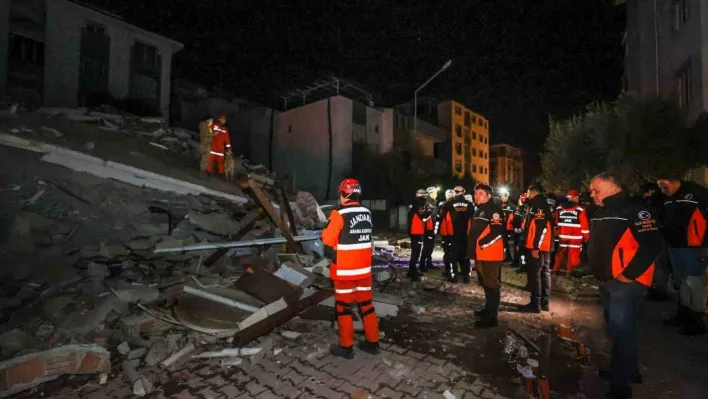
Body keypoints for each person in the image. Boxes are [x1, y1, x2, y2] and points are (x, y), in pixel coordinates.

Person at [587, 173, 662, 399]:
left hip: (625, 283)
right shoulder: (602, 211)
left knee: (621, 330)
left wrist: (628, 275)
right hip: (607, 281)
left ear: (611, 188)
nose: (591, 194)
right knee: (619, 329)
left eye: (595, 190)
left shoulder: (634, 210)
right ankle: (629, 370)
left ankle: (621, 386)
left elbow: (652, 245)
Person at [322, 178, 380, 359]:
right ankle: (372, 342)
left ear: (344, 194)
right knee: (367, 306)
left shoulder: (339, 213)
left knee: (343, 308)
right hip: (363, 271)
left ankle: (346, 347)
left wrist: (325, 229)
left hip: (345, 272)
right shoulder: (367, 212)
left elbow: (328, 240)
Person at [657, 176, 708, 335]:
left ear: (673, 180)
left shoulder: (696, 194)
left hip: (693, 246)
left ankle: (697, 319)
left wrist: (704, 245)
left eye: (664, 186)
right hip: (675, 244)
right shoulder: (669, 197)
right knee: (681, 281)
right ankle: (684, 314)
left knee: (694, 281)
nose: (662, 190)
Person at [468, 184, 506, 328]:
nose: (477, 196)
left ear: (489, 196)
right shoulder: (479, 210)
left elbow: (496, 232)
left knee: (492, 285)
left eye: (481, 193)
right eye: (476, 193)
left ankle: (492, 317)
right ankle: (487, 309)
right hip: (480, 254)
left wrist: (481, 244)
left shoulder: (494, 210)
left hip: (491, 255)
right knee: (485, 283)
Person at [518, 185, 554, 313]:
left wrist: (535, 247)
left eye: (528, 193)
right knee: (545, 272)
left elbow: (541, 228)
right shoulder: (542, 203)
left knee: (536, 274)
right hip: (545, 247)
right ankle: (544, 302)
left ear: (532, 193)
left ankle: (535, 304)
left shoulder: (538, 205)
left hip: (539, 247)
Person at [638, 182, 671, 302]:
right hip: (660, 235)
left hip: (656, 236)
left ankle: (659, 290)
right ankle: (658, 289)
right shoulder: (661, 200)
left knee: (658, 265)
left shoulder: (652, 202)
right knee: (659, 265)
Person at [553, 189, 590, 276]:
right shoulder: (580, 210)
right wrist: (586, 237)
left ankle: (555, 270)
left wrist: (557, 233)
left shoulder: (559, 208)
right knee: (572, 255)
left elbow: (556, 223)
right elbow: (584, 225)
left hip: (563, 236)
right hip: (575, 238)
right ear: (576, 197)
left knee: (560, 254)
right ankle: (568, 272)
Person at [442, 186, 474, 283]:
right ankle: (466, 276)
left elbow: (444, 220)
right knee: (465, 256)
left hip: (453, 235)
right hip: (466, 235)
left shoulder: (448, 204)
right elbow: (473, 221)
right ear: (463, 193)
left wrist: (445, 236)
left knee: (453, 256)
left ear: (455, 193)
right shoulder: (470, 205)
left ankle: (453, 276)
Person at [407, 189, 431, 282]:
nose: (426, 197)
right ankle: (413, 274)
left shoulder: (413, 203)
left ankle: (412, 270)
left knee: (415, 251)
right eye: (425, 195)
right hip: (416, 231)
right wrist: (429, 211)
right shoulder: (418, 204)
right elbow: (424, 217)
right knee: (416, 252)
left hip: (414, 230)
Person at [420, 186, 439, 272]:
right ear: (430, 194)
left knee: (430, 246)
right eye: (435, 193)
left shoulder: (433, 202)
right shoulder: (427, 203)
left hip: (432, 228)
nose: (436, 194)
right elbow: (426, 216)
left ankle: (429, 263)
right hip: (427, 228)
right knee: (427, 246)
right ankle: (422, 265)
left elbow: (434, 215)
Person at [437, 189, 455, 278]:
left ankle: (450, 272)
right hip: (447, 232)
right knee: (449, 252)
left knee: (449, 253)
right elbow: (440, 218)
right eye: (448, 195)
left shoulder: (447, 205)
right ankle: (450, 271)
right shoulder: (443, 205)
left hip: (450, 232)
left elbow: (440, 217)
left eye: (451, 195)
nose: (449, 196)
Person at [508, 193, 528, 269]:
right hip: (516, 230)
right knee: (516, 247)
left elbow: (524, 219)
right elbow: (515, 218)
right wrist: (514, 227)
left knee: (521, 248)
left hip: (523, 231)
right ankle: (516, 262)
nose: (520, 200)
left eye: (522, 199)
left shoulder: (526, 208)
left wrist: (521, 228)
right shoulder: (517, 208)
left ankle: (523, 265)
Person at [499, 189, 516, 261]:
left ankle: (509, 257)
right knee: (503, 243)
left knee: (508, 244)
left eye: (504, 196)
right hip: (501, 227)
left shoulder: (512, 207)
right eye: (501, 196)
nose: (502, 198)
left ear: (507, 196)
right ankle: (505, 256)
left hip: (509, 228)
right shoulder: (499, 206)